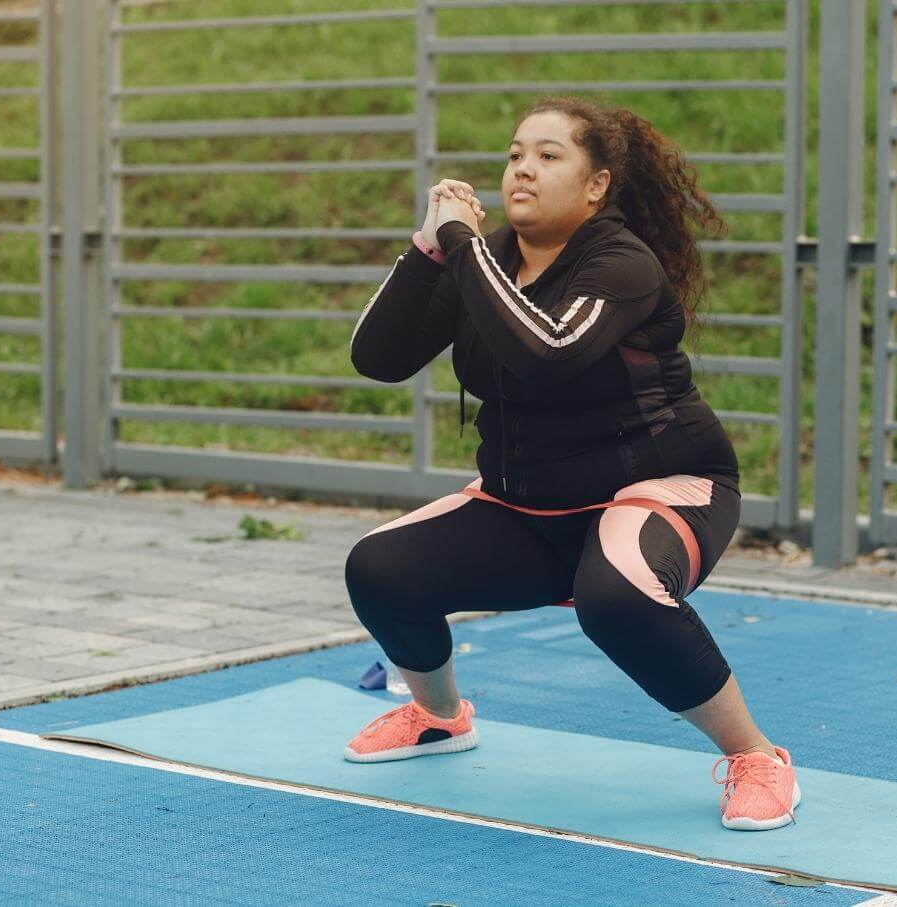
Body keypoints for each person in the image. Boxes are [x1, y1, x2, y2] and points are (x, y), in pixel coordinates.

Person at [343, 96, 800, 831]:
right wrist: (430, 249)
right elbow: (378, 358)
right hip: (529, 505)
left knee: (614, 599)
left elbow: (546, 352)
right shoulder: (481, 264)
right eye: (515, 153)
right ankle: (438, 716)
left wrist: (464, 250)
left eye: (549, 155)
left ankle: (757, 757)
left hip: (660, 487)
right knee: (378, 568)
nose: (523, 167)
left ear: (596, 186)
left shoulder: (621, 263)